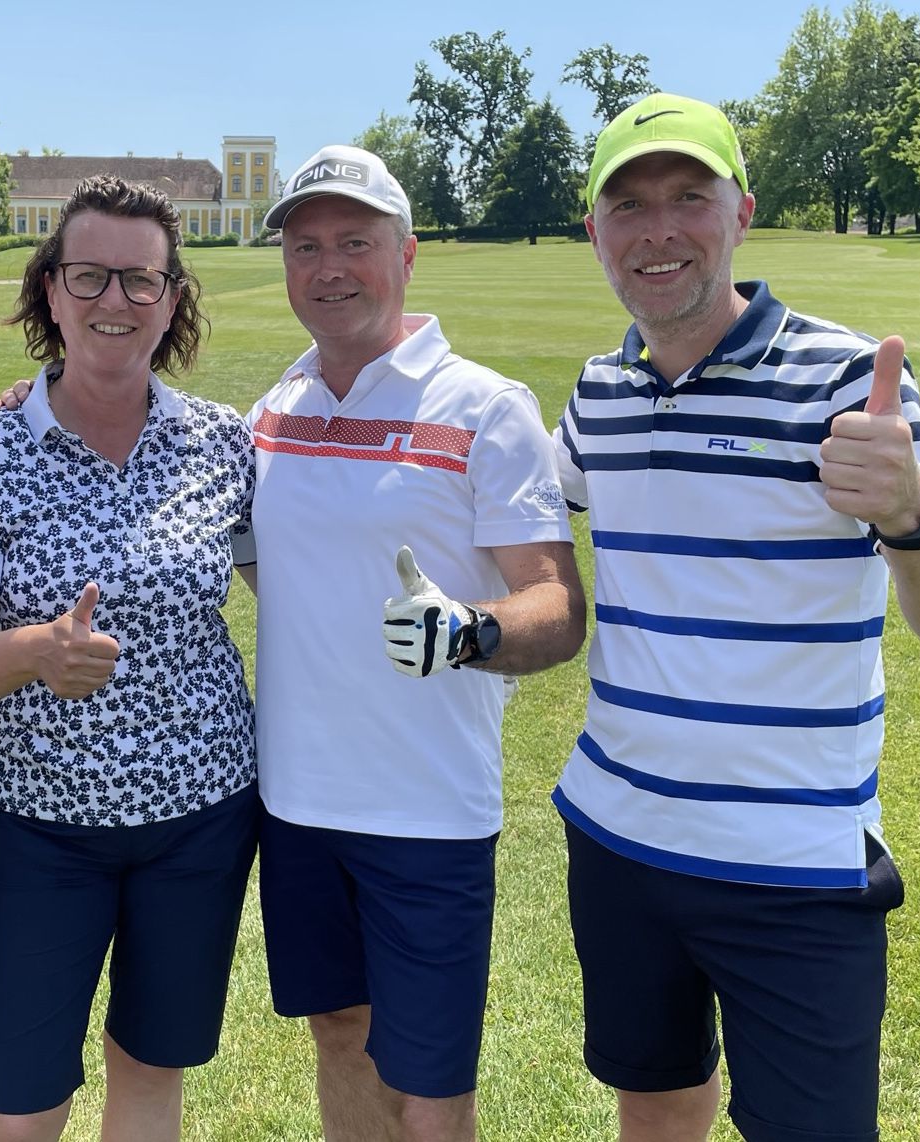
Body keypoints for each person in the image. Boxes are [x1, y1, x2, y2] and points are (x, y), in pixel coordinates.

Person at [551, 93, 920, 1142]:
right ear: (595, 232)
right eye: (628, 205)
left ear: (741, 213)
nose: (658, 230)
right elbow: (528, 516)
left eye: (688, 197)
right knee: (654, 1102)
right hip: (618, 836)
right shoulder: (600, 391)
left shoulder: (847, 380)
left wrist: (913, 512)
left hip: (794, 863)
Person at [256, 146, 585, 1142]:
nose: (328, 267)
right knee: (338, 1036)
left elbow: (556, 605)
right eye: (305, 246)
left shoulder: (485, 406)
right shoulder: (274, 409)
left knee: (432, 1094)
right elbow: (272, 567)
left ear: (407, 255)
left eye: (355, 242)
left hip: (428, 810)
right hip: (296, 802)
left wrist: (471, 630)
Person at [0, 175, 258, 1142]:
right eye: (90, 276)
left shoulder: (223, 444)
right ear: (51, 289)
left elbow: (297, 577)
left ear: (173, 298)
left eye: (141, 279)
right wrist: (38, 650)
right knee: (21, 1103)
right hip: (45, 828)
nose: (116, 299)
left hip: (201, 817)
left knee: (150, 1073)